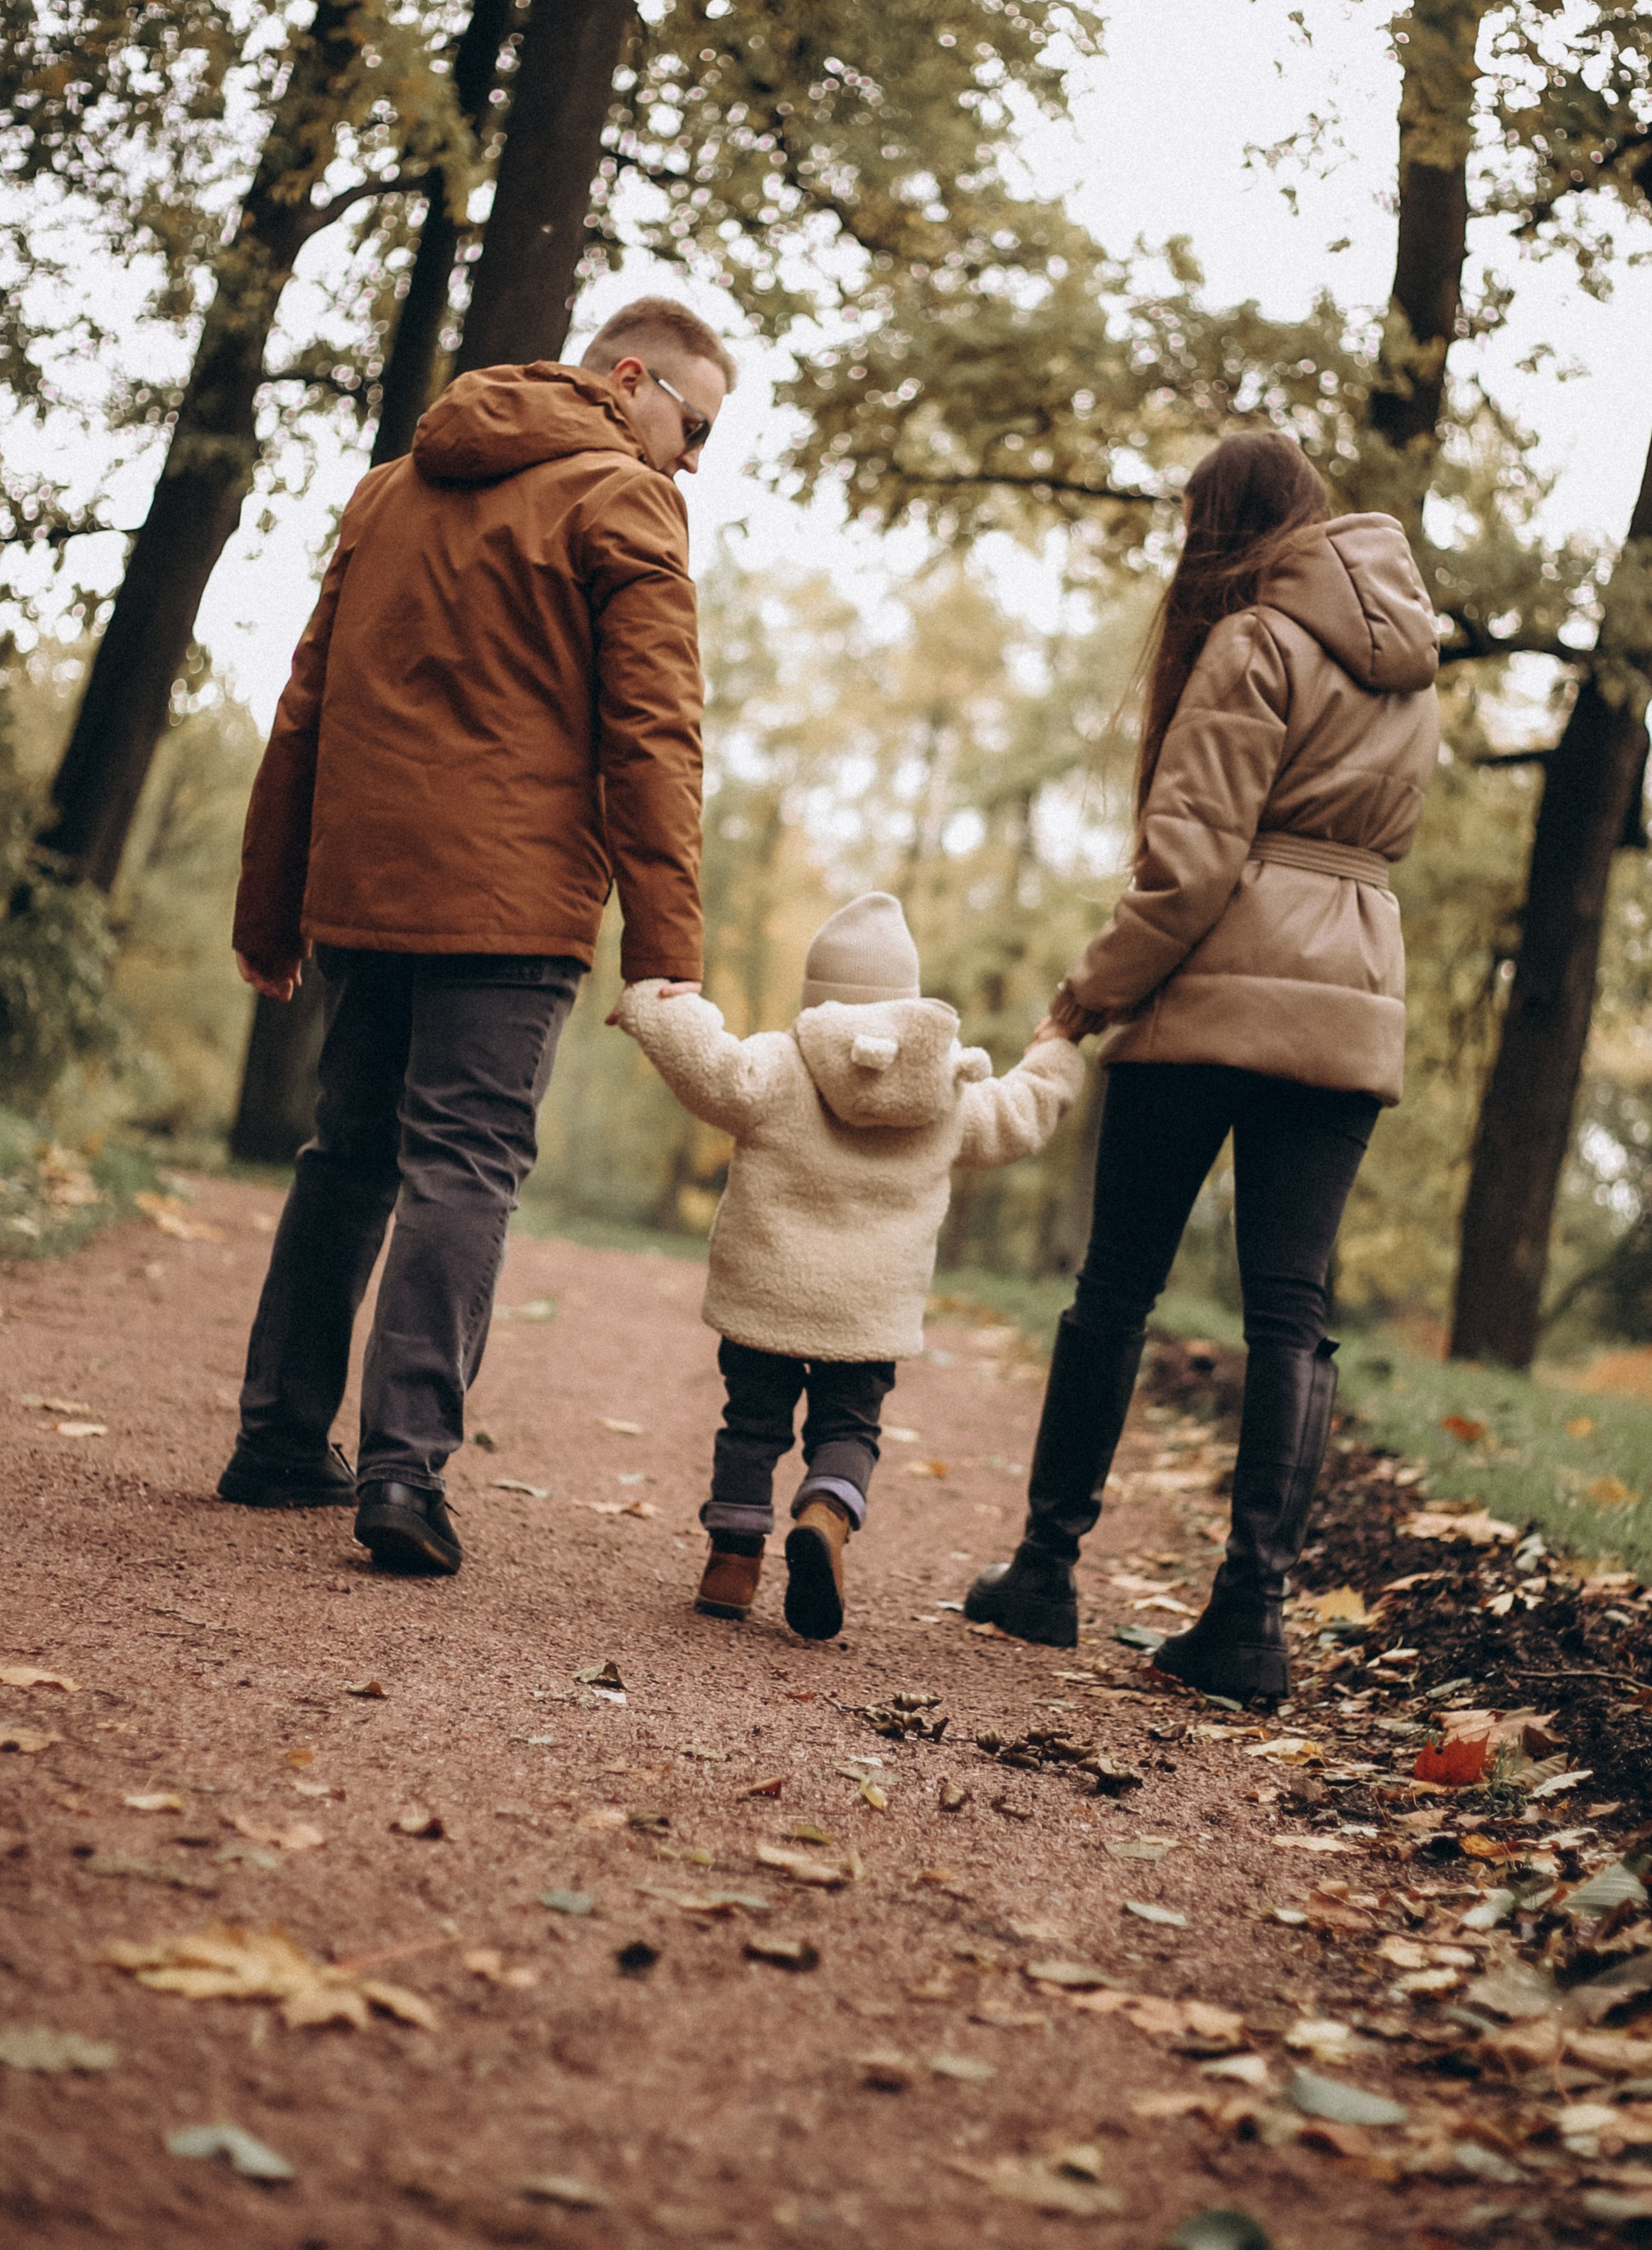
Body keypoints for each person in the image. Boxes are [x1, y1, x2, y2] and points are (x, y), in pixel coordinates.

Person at [218, 294, 734, 1578]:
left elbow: (305, 706)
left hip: (365, 886)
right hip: (508, 906)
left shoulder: (391, 490)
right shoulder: (624, 500)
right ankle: (402, 1475)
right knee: (465, 1162)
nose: (695, 460)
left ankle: (281, 1437)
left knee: (348, 1154)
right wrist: (666, 947)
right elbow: (655, 739)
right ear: (633, 379)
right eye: (698, 426)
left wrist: (269, 905)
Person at [962, 433, 1440, 1697]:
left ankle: (1046, 1571)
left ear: (1219, 527)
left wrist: (1084, 994)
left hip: (1216, 993)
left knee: (1118, 1285)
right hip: (1352, 998)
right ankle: (1251, 1624)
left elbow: (1191, 870)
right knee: (1295, 1315)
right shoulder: (1413, 672)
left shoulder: (1253, 641)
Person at [617, 893, 1082, 1638]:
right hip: (869, 1311)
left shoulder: (777, 1063)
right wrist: (1056, 1052)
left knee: (751, 1423)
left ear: (818, 995)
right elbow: (1019, 1117)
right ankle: (826, 1514)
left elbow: (707, 1068)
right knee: (849, 1426)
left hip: (767, 1294)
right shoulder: (950, 1092)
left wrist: (655, 1004)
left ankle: (731, 1565)